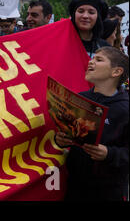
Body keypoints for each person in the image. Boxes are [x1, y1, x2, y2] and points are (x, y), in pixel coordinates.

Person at [55, 47, 129, 201]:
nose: (91, 62)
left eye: (99, 60)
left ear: (116, 72)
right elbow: (70, 132)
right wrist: (60, 140)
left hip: (109, 191)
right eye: (93, 58)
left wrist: (109, 154)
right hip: (75, 186)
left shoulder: (125, 109)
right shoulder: (80, 98)